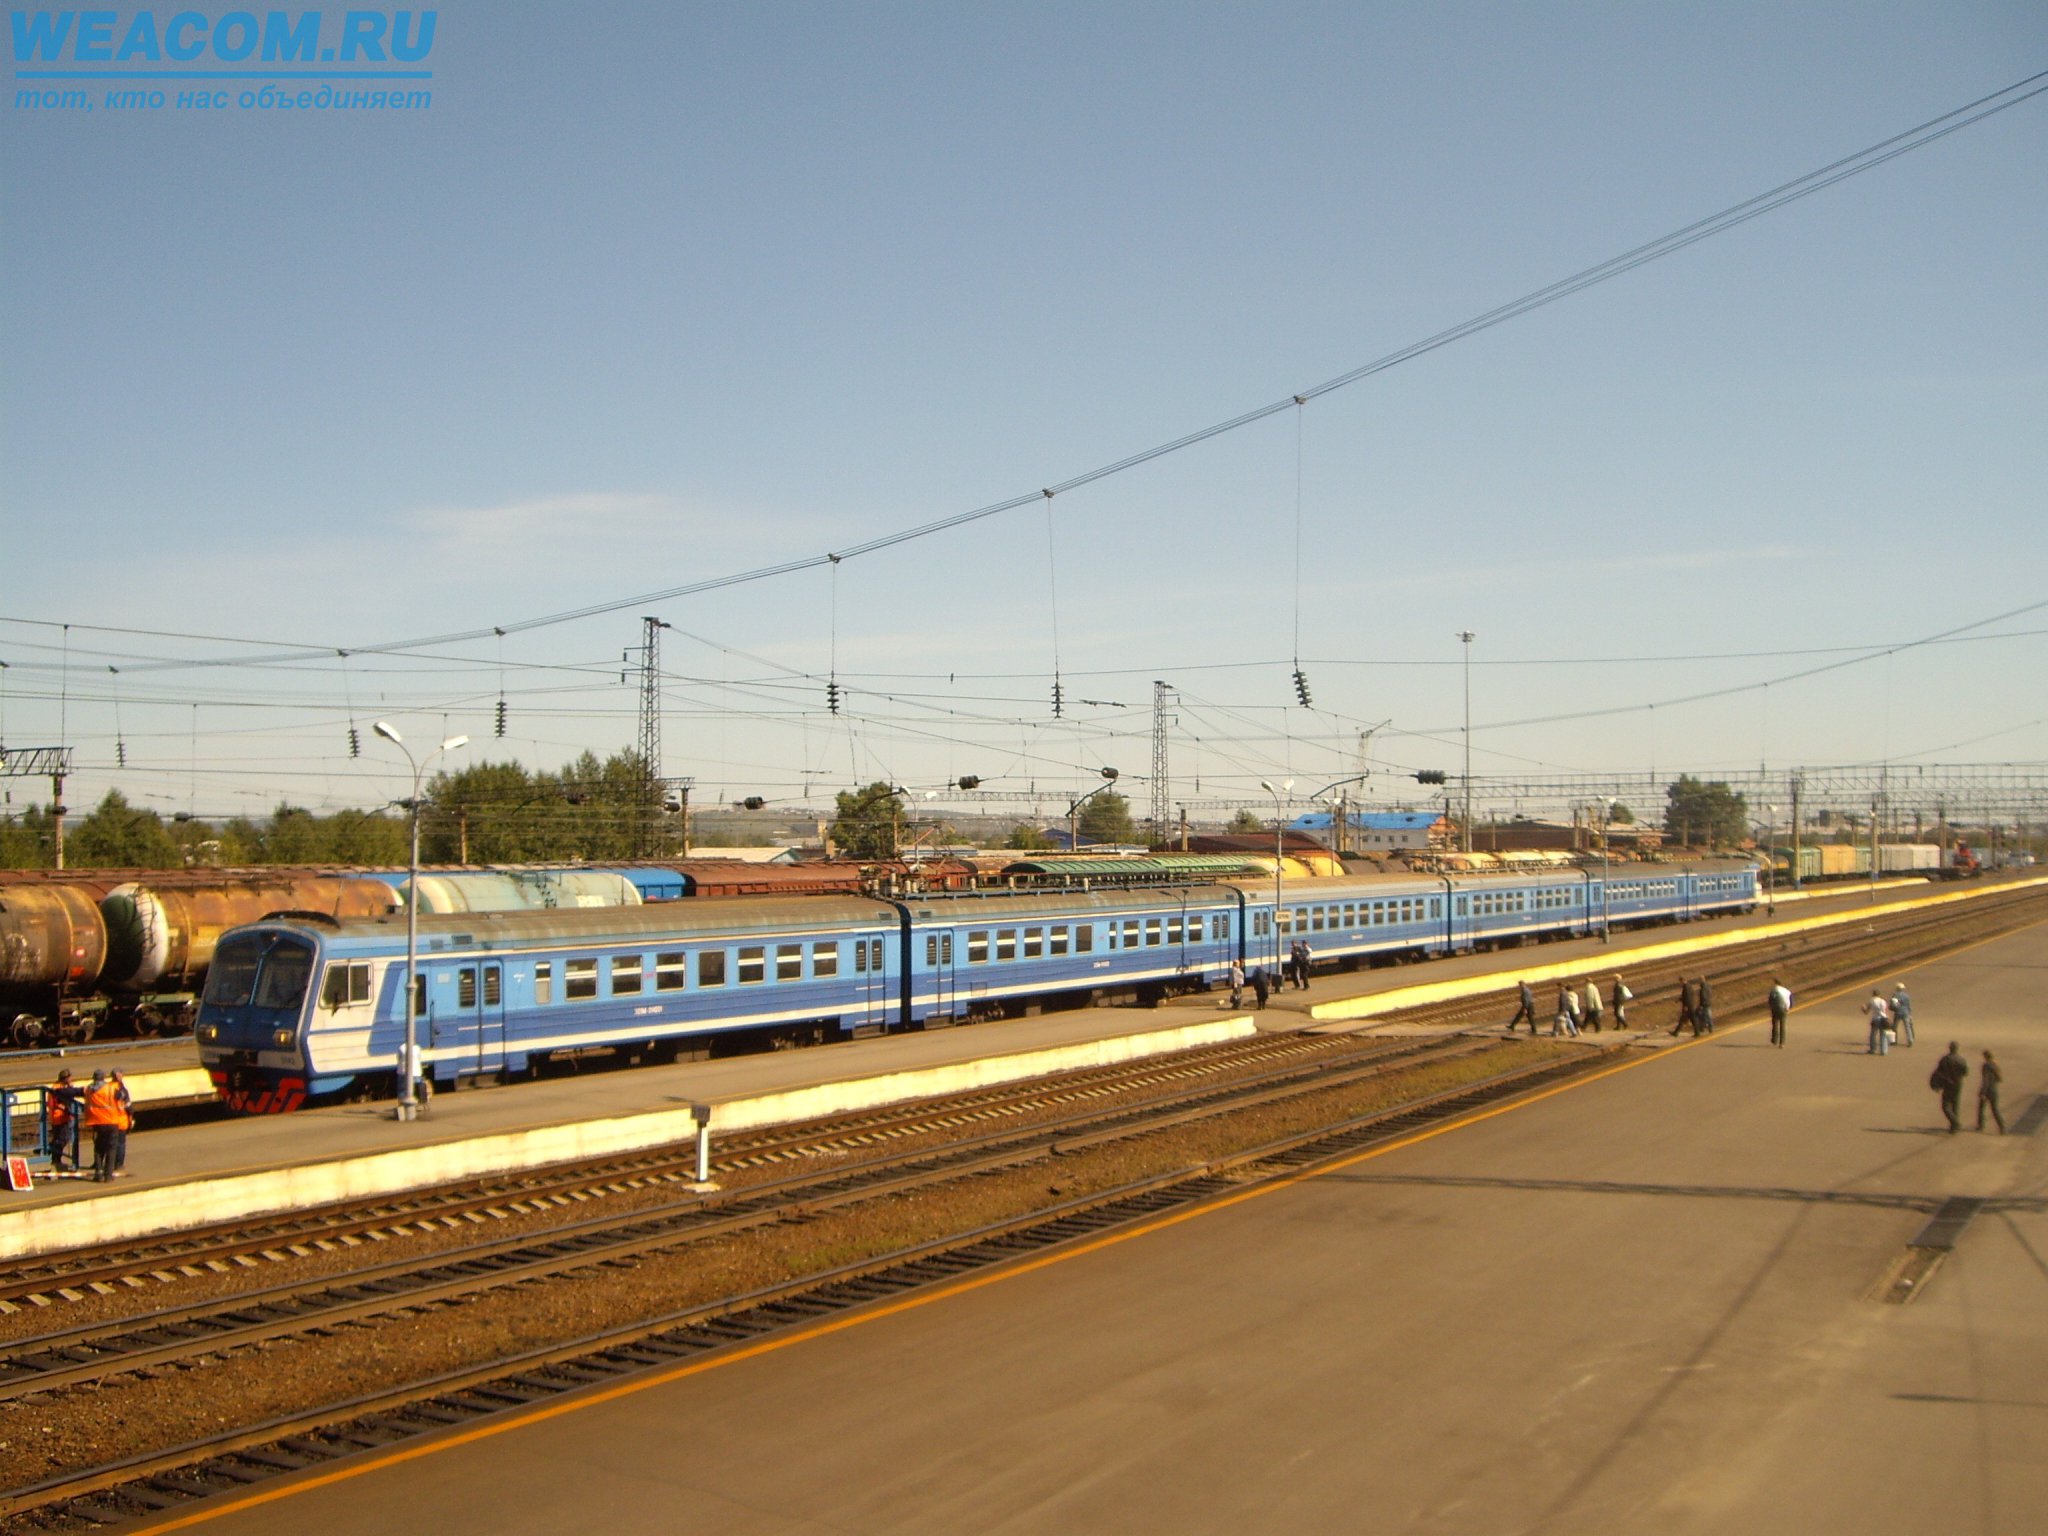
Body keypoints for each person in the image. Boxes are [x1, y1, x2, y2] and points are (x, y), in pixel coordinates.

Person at [81, 1069, 124, 1183]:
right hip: (111, 1122)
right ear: (104, 1077)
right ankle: (108, 1175)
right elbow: (121, 1096)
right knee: (111, 1148)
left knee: (98, 1149)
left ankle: (98, 1174)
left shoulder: (89, 1089)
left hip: (96, 1122)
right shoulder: (110, 1088)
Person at [46, 1069, 82, 1174]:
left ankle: (54, 1155)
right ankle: (54, 1155)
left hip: (62, 1116)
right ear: (65, 1078)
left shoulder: (62, 1087)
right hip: (59, 1117)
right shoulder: (57, 1088)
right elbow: (61, 1102)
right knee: (63, 1138)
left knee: (60, 1138)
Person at [1931, 1042, 1968, 1133]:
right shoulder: (1961, 1060)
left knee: (1945, 1106)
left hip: (1947, 1084)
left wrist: (1936, 1084)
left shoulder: (1945, 1059)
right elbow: (1965, 1072)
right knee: (1955, 1105)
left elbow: (1939, 1072)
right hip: (1958, 1084)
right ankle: (1954, 1127)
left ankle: (1955, 1123)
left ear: (1950, 1048)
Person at [110, 1070, 133, 1176]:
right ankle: (118, 1164)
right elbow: (128, 1106)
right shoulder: (122, 1090)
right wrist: (131, 1118)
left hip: (109, 1120)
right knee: (121, 1144)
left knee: (110, 1143)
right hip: (121, 1120)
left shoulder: (108, 1087)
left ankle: (109, 1163)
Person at [1977, 1050, 2005, 1133]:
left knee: (1981, 1108)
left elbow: (1985, 1080)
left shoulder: (1986, 1066)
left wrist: (1982, 1092)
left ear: (1985, 1057)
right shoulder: (1995, 1065)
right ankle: (2002, 1127)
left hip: (1987, 1090)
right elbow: (1999, 1079)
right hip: (1994, 1090)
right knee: (1995, 1109)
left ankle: (1981, 1126)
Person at [1863, 991, 1891, 1056]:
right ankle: (1884, 1051)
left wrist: (1863, 1008)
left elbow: (1866, 1011)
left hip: (1875, 1019)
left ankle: (1873, 1049)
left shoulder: (1872, 1001)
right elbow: (1886, 1010)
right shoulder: (1883, 1001)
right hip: (1884, 1019)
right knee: (1883, 1035)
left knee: (1873, 1035)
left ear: (1873, 994)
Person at [1767, 978, 1792, 1048]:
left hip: (1775, 1009)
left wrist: (1771, 1007)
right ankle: (1782, 1043)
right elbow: (1791, 1001)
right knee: (1782, 1026)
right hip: (1784, 1009)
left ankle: (1774, 1040)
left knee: (1775, 1024)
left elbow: (1770, 1000)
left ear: (1775, 983)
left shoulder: (1774, 990)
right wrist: (1788, 1008)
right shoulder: (1787, 991)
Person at [1889, 982, 1915, 1048]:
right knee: (1907, 1027)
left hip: (1898, 1012)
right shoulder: (1906, 995)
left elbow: (1894, 1005)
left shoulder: (1895, 995)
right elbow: (1908, 1005)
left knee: (1894, 1027)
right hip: (1906, 1012)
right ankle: (1910, 1040)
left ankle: (1894, 1041)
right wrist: (1909, 1013)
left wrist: (1892, 1008)